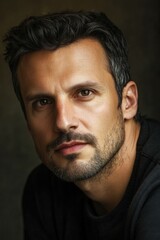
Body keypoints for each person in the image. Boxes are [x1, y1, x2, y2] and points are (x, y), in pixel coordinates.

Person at [3, 10, 160, 240]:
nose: (63, 122)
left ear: (128, 102)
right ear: (27, 120)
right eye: (43, 102)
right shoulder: (44, 190)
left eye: (84, 93)